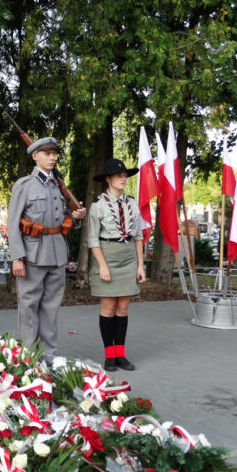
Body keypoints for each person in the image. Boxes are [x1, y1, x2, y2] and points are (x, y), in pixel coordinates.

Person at [7, 137, 86, 363]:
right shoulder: (24, 185)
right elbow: (13, 224)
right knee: (29, 308)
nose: (52, 157)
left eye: (54, 153)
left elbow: (63, 219)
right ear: (35, 156)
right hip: (32, 255)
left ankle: (49, 356)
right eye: (46, 153)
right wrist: (17, 258)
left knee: (51, 309)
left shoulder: (58, 185)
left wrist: (76, 216)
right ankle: (28, 358)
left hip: (57, 253)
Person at [86, 159, 146, 372]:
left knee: (122, 308)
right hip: (107, 257)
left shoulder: (132, 203)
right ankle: (109, 355)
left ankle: (120, 354)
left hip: (128, 258)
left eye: (125, 176)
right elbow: (92, 239)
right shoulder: (98, 205)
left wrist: (140, 265)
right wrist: (102, 265)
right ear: (108, 179)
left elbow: (138, 236)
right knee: (109, 308)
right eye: (119, 175)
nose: (123, 179)